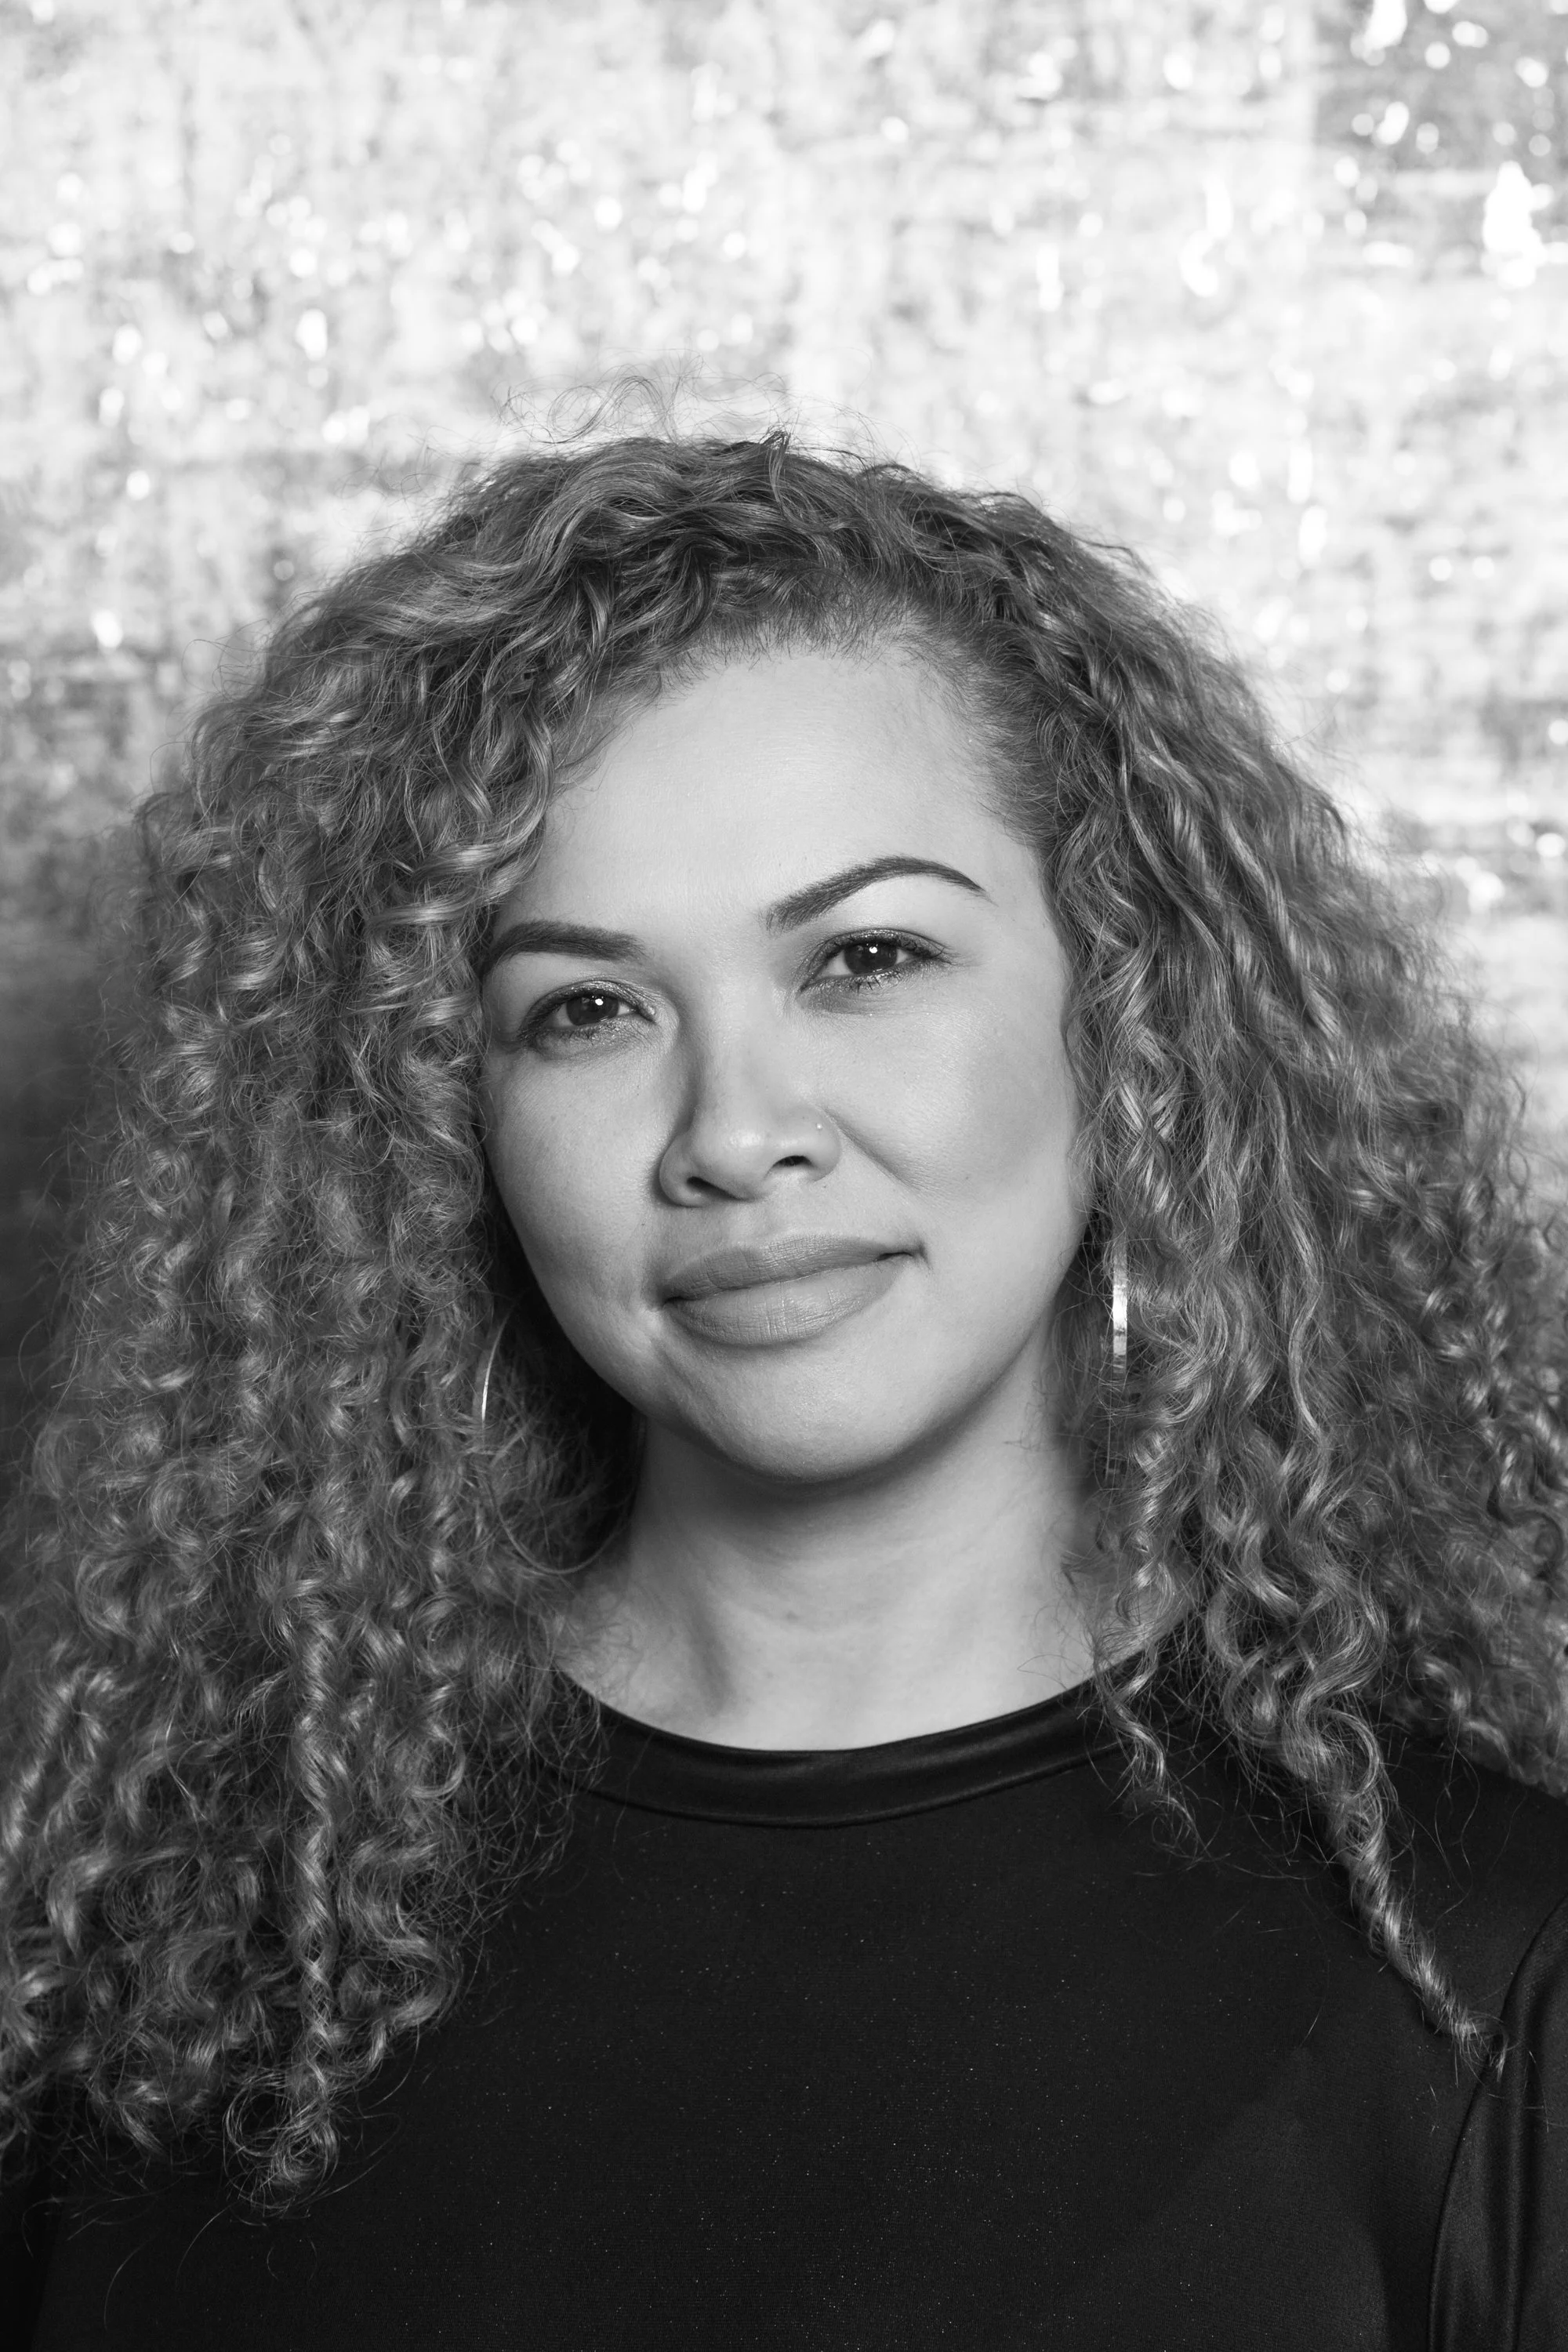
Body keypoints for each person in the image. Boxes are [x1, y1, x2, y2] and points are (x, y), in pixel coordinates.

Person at [1, 420, 1566, 2351]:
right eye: (585, 1009)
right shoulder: (158, 1973)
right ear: (438, 1124)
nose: (735, 1134)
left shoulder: (1495, 1977)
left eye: (865, 957)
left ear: (1131, 1017)